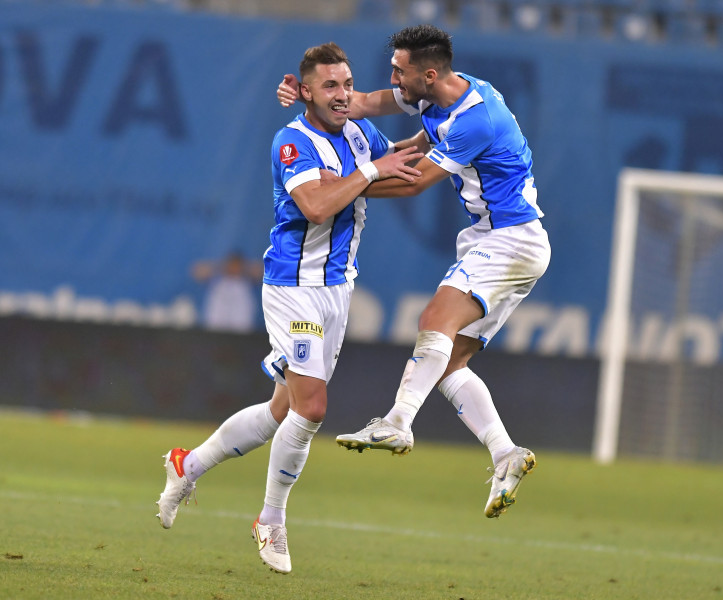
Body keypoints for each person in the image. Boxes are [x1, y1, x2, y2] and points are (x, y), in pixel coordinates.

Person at [156, 42, 423, 575]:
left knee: (283, 409)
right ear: (304, 91)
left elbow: (390, 181)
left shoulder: (355, 132)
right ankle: (270, 520)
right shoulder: (291, 143)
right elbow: (318, 204)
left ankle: (188, 465)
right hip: (292, 287)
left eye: (347, 84)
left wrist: (422, 147)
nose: (344, 95)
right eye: (330, 86)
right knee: (313, 406)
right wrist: (370, 173)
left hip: (338, 289)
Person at [277, 24, 551, 519]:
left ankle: (398, 421)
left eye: (399, 73)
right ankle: (505, 453)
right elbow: (357, 103)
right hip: (503, 242)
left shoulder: (475, 118)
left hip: (509, 239)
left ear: (427, 73)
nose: (392, 80)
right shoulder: (433, 93)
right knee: (445, 363)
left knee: (433, 322)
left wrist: (341, 187)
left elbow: (411, 185)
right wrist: (299, 93)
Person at [191, 251, 262, 333]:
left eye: (236, 265)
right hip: (215, 328)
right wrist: (220, 267)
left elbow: (265, 273)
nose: (234, 267)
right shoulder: (218, 279)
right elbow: (197, 271)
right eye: (231, 264)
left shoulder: (246, 280)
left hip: (240, 328)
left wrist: (244, 268)